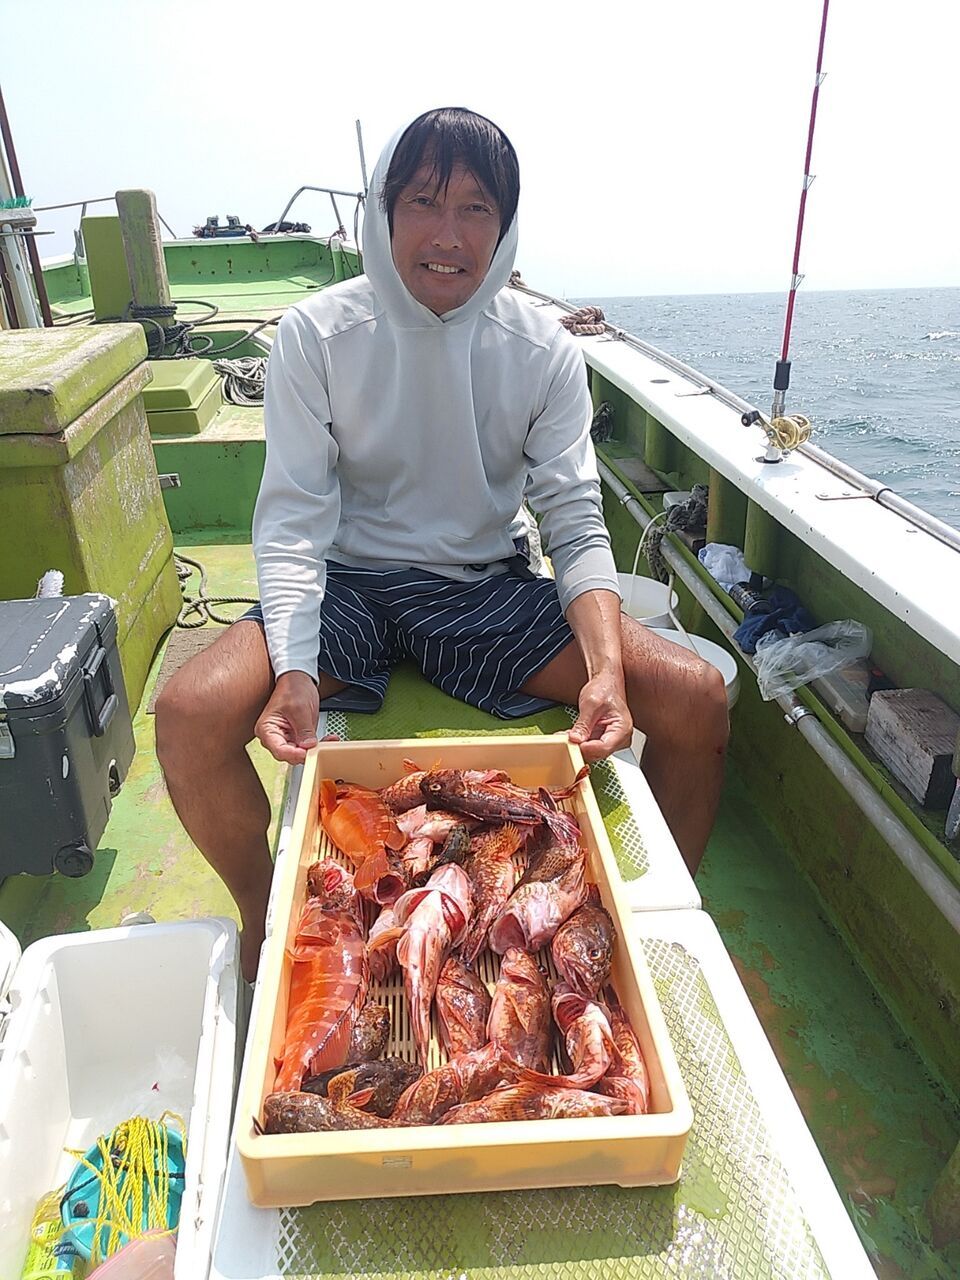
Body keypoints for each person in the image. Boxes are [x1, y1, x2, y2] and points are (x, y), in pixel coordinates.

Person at [156, 108, 728, 980]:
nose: (448, 235)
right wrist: (296, 669)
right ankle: (264, 922)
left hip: (483, 589)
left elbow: (573, 517)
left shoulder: (543, 350)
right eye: (423, 201)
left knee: (694, 700)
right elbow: (294, 518)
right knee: (189, 713)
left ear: (506, 225)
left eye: (475, 209)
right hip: (350, 587)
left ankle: (639, 942)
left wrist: (607, 668)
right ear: (384, 211)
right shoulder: (316, 335)